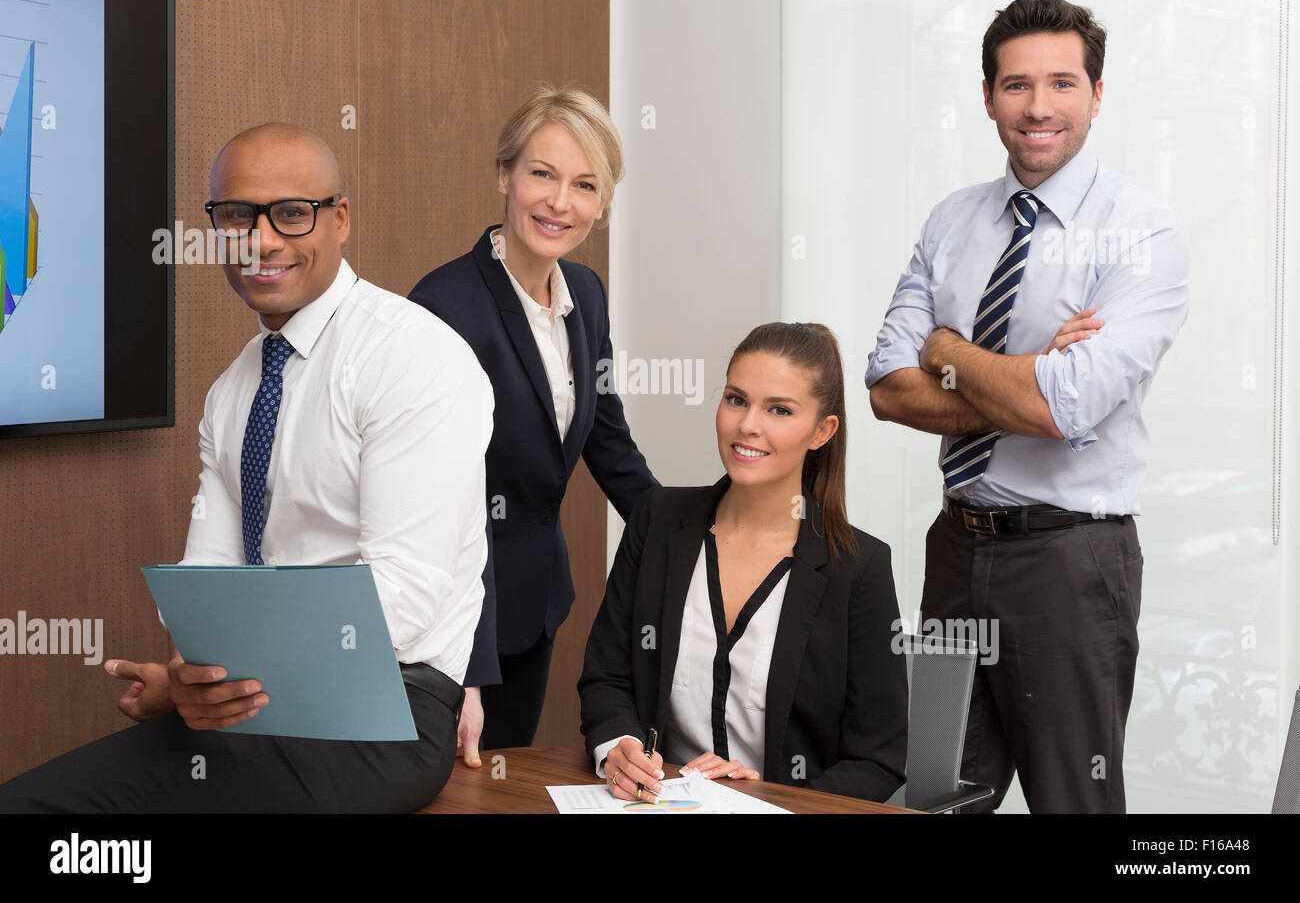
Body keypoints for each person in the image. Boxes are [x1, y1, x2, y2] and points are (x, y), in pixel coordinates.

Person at [0, 124, 493, 812]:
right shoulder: (233, 391)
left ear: (340, 218)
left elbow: (402, 606)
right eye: (236, 216)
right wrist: (192, 675)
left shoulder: (413, 358)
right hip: (258, 704)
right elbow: (210, 581)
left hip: (386, 715)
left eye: (292, 213)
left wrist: (238, 670)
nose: (260, 242)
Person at [864, 0, 1189, 813]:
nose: (1038, 108)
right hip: (956, 547)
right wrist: (1027, 371)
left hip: (1070, 564)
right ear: (987, 96)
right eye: (1016, 85)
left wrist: (950, 352)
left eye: (1062, 84)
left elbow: (1064, 409)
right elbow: (886, 389)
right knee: (936, 796)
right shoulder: (953, 222)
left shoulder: (1139, 233)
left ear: (1097, 94)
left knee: (1070, 804)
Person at [410, 84, 657, 758]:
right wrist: (469, 671)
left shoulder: (587, 295)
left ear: (600, 204)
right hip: (460, 624)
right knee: (454, 789)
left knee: (503, 787)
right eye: (541, 174)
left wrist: (685, 538)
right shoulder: (444, 306)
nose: (559, 201)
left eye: (584, 184)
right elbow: (440, 505)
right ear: (504, 175)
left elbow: (607, 440)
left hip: (537, 604)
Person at [579, 322, 908, 802]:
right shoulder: (657, 520)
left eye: (778, 410)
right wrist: (619, 748)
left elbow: (877, 760)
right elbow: (607, 675)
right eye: (736, 399)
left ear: (822, 431)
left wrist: (771, 799)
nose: (747, 425)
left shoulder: (859, 568)